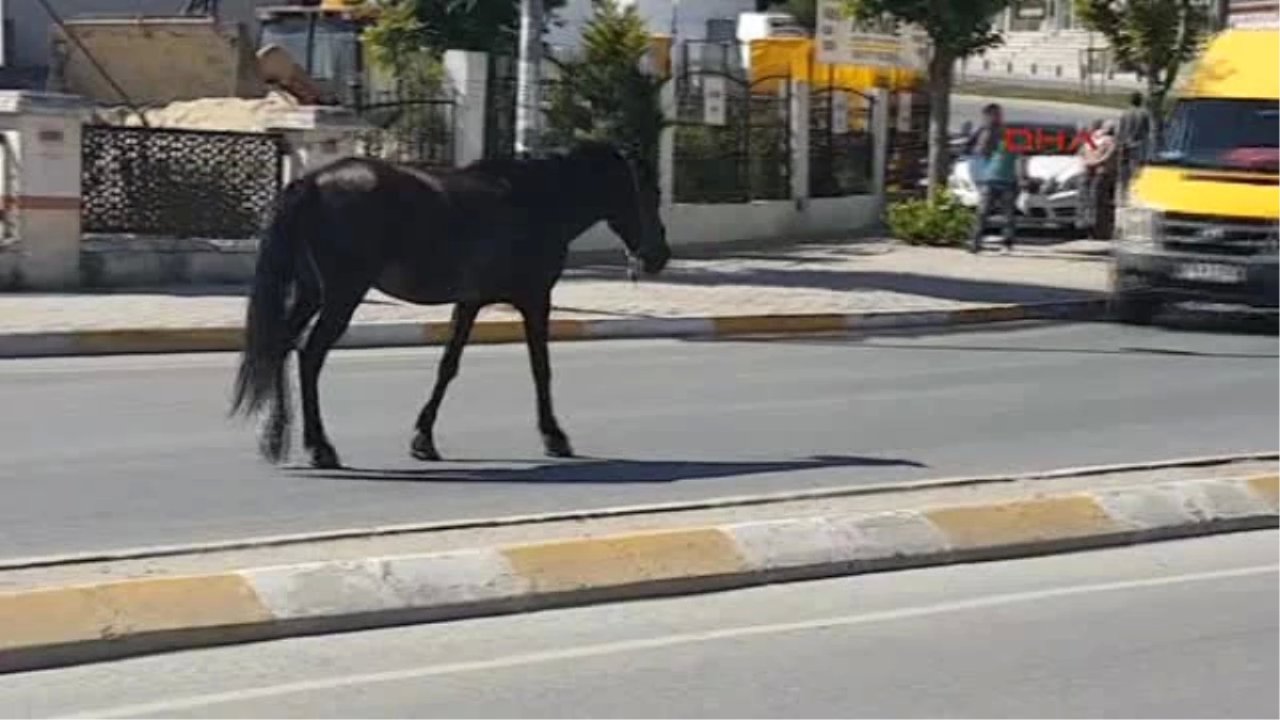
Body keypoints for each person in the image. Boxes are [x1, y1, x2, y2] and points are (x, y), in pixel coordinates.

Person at [963, 103, 1020, 253]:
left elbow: (1018, 158)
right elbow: (972, 150)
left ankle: (1007, 242)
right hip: (989, 179)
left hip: (1006, 179)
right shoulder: (982, 132)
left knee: (1007, 214)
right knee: (982, 212)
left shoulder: (1007, 133)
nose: (994, 118)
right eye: (990, 115)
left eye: (997, 115)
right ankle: (976, 242)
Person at [1083, 119, 1120, 240]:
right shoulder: (1098, 139)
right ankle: (1093, 229)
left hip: (1103, 174)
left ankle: (1099, 231)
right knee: (1094, 202)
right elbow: (1089, 151)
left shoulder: (1110, 142)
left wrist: (1094, 162)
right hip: (1094, 172)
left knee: (1099, 203)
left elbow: (1107, 156)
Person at [1117, 92, 1152, 196]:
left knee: (1124, 168)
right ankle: (1134, 191)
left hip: (1125, 144)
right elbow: (1147, 130)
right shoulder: (1144, 113)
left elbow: (1121, 130)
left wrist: (1120, 144)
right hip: (1139, 145)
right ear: (1140, 100)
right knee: (1136, 168)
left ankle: (1124, 191)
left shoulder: (1125, 113)